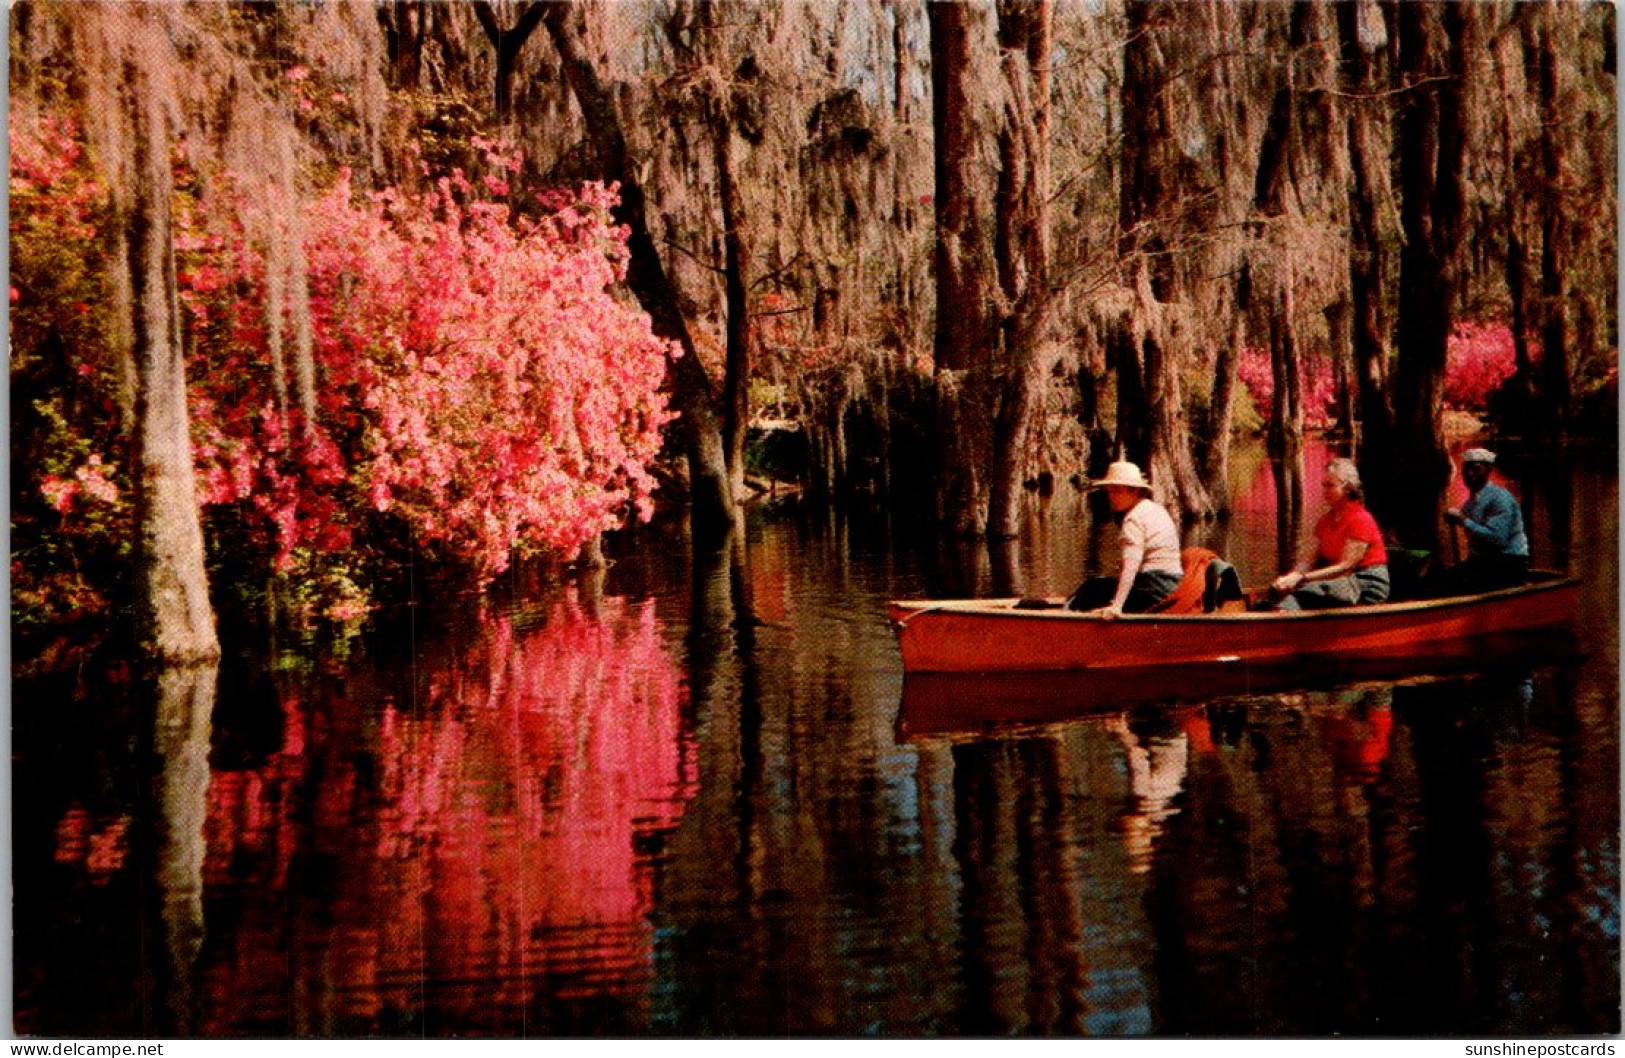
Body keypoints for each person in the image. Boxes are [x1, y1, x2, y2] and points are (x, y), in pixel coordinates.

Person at [1270, 457, 1390, 610]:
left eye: (1330, 486)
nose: (1324, 491)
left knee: (1305, 593)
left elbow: (1345, 566)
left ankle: (1282, 620)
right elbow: (1308, 560)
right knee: (1275, 593)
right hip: (1340, 581)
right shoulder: (1326, 520)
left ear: (1347, 488)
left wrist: (1302, 578)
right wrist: (1291, 577)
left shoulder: (1360, 519)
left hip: (1365, 584)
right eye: (1323, 486)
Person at [1067, 461, 1183, 616]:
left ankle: (1063, 619)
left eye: (1117, 491)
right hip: (1173, 585)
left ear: (1134, 491)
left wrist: (1117, 606)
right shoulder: (1155, 509)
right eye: (1110, 491)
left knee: (1092, 588)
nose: (1111, 497)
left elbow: (1131, 566)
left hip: (1154, 588)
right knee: (1098, 585)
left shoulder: (1133, 519)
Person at [1444, 447, 1528, 592]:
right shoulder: (1470, 504)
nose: (1470, 474)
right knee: (1440, 579)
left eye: (1476, 469)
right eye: (1466, 470)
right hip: (1484, 562)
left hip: (1508, 563)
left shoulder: (1500, 498)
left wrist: (1464, 521)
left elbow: (1497, 539)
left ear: (1488, 471)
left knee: (1458, 584)